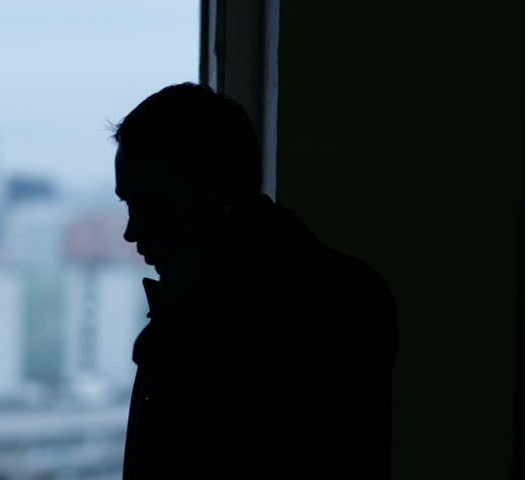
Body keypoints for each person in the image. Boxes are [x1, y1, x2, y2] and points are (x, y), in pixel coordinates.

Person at [113, 83, 398, 479]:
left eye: (148, 204)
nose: (131, 230)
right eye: (128, 204)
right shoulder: (346, 295)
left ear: (215, 195)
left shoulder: (305, 317)